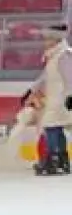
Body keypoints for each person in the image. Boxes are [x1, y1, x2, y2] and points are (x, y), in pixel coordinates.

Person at [32, 23, 72, 175]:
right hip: (55, 98)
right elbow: (46, 76)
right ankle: (61, 159)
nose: (45, 41)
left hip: (62, 98)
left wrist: (70, 96)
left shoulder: (64, 55)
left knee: (51, 126)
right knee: (55, 127)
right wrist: (32, 90)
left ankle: (53, 159)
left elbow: (70, 78)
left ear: (55, 39)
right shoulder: (54, 55)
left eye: (47, 38)